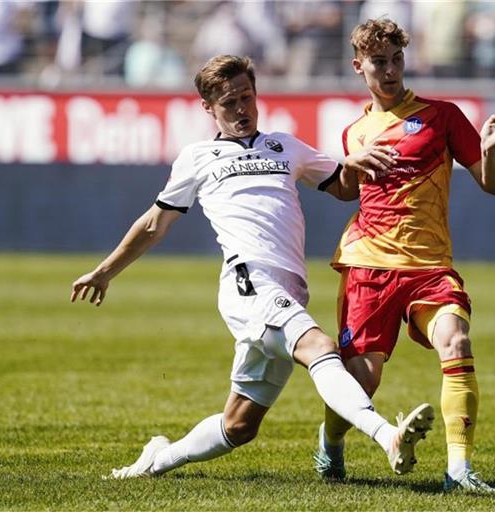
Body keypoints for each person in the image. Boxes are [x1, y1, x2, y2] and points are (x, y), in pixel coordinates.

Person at [70, 55, 434, 480]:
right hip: (250, 285)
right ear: (208, 107)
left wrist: (355, 164)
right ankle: (387, 435)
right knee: (320, 348)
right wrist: (104, 272)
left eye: (247, 97)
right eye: (229, 103)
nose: (241, 109)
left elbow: (342, 188)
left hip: (287, 291)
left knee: (240, 426)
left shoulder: (286, 145)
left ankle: (156, 460)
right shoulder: (198, 158)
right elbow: (153, 223)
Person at [313, 19, 495, 494]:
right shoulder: (354, 132)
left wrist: (488, 151)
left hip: (429, 267)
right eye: (379, 62)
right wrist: (348, 165)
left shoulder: (442, 116)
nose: (389, 71)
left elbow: (492, 185)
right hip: (369, 265)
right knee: (362, 382)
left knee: (457, 342)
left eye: (396, 60)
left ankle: (459, 470)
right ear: (358, 66)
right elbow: (346, 193)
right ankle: (330, 442)